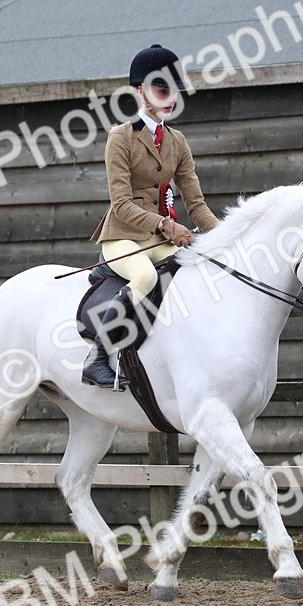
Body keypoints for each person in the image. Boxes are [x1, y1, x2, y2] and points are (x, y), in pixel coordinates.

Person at [82, 44, 221, 390]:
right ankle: (98, 356)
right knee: (144, 276)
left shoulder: (178, 141)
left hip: (159, 239)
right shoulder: (121, 138)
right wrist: (164, 224)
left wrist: (227, 237)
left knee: (191, 266)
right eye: (161, 90)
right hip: (122, 236)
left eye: (173, 91)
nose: (169, 98)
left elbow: (197, 204)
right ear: (141, 90)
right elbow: (121, 204)